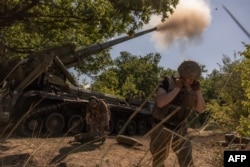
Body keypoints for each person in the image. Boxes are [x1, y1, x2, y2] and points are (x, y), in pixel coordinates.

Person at [149, 60, 205, 167]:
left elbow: (201, 109)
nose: (191, 81)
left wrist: (198, 91)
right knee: (159, 159)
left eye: (194, 79)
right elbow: (160, 103)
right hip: (162, 126)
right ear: (182, 75)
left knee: (187, 160)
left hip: (180, 128)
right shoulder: (167, 82)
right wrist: (177, 89)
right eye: (190, 78)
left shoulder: (193, 87)